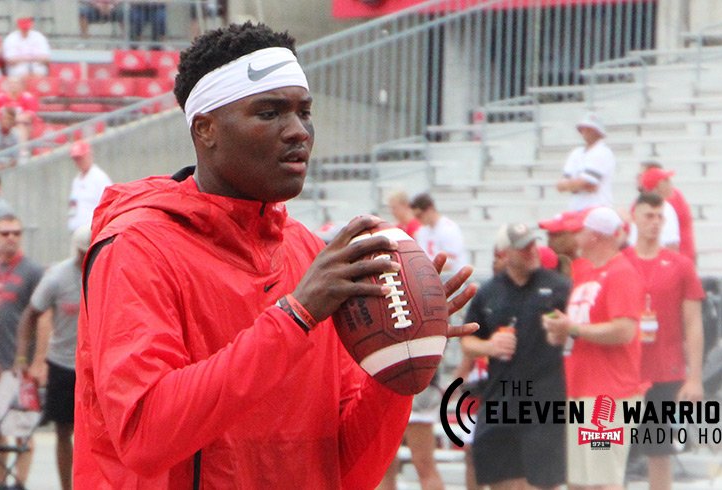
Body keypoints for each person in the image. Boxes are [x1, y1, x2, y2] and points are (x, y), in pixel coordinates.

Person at [74, 22, 478, 488]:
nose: (298, 132)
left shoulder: (310, 254)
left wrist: (398, 368)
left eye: (305, 112)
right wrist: (294, 317)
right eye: (269, 113)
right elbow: (146, 434)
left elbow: (345, 471)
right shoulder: (136, 247)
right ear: (205, 129)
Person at [461, 223, 571, 489]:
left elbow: (578, 332)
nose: (531, 251)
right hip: (501, 397)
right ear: (504, 254)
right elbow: (466, 340)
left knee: (544, 482)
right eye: (523, 248)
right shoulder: (488, 292)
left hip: (544, 398)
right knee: (501, 480)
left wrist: (565, 330)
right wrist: (490, 346)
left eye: (533, 244)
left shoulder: (559, 287)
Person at [543, 207, 644, 490]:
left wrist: (573, 329)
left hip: (609, 393)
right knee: (580, 481)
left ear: (596, 236)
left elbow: (624, 329)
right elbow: (582, 328)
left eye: (581, 229)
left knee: (603, 480)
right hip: (582, 387)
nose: (575, 235)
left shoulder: (621, 272)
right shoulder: (586, 272)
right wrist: (560, 331)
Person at [623, 193, 705, 490]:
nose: (655, 223)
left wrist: (694, 377)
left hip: (664, 371)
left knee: (658, 451)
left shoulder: (680, 265)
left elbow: (693, 323)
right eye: (648, 216)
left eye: (660, 217)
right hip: (624, 373)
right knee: (610, 448)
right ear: (634, 217)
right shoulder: (621, 262)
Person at [15, 225, 89, 490]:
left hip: (94, 366)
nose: (85, 258)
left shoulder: (105, 270)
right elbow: (30, 315)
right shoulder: (57, 277)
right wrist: (24, 359)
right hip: (63, 363)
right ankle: (66, 486)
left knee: (93, 434)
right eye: (82, 254)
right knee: (62, 430)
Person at [0, 215, 43, 489]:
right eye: (5, 233)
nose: (11, 238)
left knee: (21, 430)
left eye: (16, 233)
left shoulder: (32, 271)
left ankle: (18, 483)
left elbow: (43, 318)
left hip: (18, 363)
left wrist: (35, 361)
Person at [556, 113, 616, 211]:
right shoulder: (576, 153)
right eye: (583, 128)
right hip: (576, 210)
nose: (585, 131)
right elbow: (560, 186)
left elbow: (587, 183)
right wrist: (578, 185)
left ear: (599, 132)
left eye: (590, 129)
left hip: (598, 210)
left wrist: (572, 185)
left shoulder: (603, 152)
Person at [639, 165, 696, 263]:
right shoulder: (663, 208)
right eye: (666, 181)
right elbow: (671, 245)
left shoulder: (675, 198)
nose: (670, 184)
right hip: (667, 261)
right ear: (656, 187)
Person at [411, 193, 469, 277]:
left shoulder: (448, 229)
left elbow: (450, 263)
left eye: (419, 215)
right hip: (432, 277)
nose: (418, 219)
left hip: (452, 277)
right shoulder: (422, 231)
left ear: (430, 209)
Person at [67, 140, 113, 231]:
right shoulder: (77, 180)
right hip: (77, 229)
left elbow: (109, 204)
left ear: (89, 156)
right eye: (75, 159)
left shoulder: (99, 177)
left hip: (92, 230)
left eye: (80, 158)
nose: (78, 162)